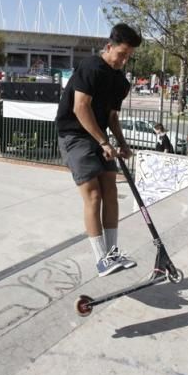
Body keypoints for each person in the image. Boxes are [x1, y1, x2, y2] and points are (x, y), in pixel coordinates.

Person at [56, 23, 142, 277]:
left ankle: (113, 252)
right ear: (108, 47)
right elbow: (80, 107)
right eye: (121, 54)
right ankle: (101, 258)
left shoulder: (121, 83)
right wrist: (104, 143)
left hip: (99, 135)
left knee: (111, 190)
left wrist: (122, 143)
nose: (124, 60)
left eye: (129, 56)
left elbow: (112, 117)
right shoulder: (91, 67)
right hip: (74, 134)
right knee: (93, 194)